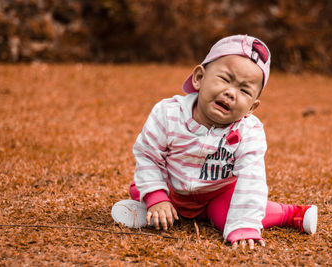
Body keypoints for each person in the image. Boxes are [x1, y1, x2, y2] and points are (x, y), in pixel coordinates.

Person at [111, 35, 318, 249]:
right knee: (142, 187)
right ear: (199, 77)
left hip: (217, 194)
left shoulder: (249, 131)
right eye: (225, 79)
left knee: (229, 214)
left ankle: (290, 214)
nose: (230, 92)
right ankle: (157, 206)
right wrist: (156, 196)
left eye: (244, 90)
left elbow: (251, 179)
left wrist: (244, 225)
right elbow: (148, 155)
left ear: (251, 108)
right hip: (173, 186)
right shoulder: (168, 113)